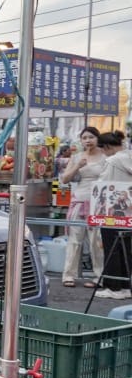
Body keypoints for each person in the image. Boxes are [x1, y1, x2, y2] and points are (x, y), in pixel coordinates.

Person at [59, 126, 106, 288]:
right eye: (85, 138)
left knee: (97, 242)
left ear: (97, 139)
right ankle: (68, 275)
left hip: (99, 204)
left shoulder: (106, 156)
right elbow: (64, 179)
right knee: (74, 240)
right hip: (79, 202)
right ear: (81, 140)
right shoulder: (77, 157)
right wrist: (77, 165)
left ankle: (99, 276)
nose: (88, 141)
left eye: (91, 137)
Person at [94, 131, 132, 299]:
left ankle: (113, 287)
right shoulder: (129, 156)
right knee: (127, 249)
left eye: (103, 150)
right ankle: (126, 286)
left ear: (108, 147)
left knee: (111, 248)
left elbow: (103, 185)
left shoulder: (113, 161)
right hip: (129, 211)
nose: (103, 153)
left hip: (111, 211)